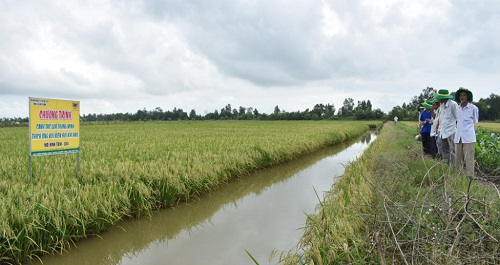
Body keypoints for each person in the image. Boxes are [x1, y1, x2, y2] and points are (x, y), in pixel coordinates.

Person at [454, 87, 479, 177]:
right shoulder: (457, 108)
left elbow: (475, 121)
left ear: (468, 97)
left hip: (468, 137)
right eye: (461, 95)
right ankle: (458, 177)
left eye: (464, 95)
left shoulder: (473, 108)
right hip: (458, 137)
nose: (462, 97)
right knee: (457, 159)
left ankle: (470, 178)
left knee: (469, 159)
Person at [433, 89, 458, 166]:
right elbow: (441, 119)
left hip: (451, 131)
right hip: (443, 132)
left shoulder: (453, 104)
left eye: (439, 98)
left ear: (443, 98)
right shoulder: (442, 106)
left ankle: (453, 167)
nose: (438, 99)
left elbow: (458, 118)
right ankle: (446, 167)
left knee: (452, 150)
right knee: (444, 150)